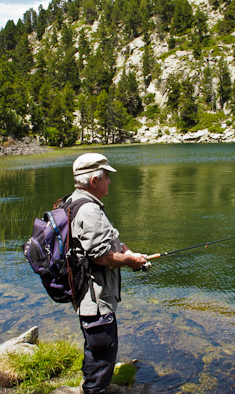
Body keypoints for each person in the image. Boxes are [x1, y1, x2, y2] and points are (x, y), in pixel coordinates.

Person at [67, 153, 147, 394]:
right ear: (94, 181)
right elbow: (100, 256)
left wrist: (127, 250)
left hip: (85, 296)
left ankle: (90, 385)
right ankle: (95, 389)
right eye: (106, 177)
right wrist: (131, 261)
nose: (110, 182)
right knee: (103, 349)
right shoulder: (90, 211)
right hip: (96, 300)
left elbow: (106, 242)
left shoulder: (74, 201)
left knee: (95, 347)